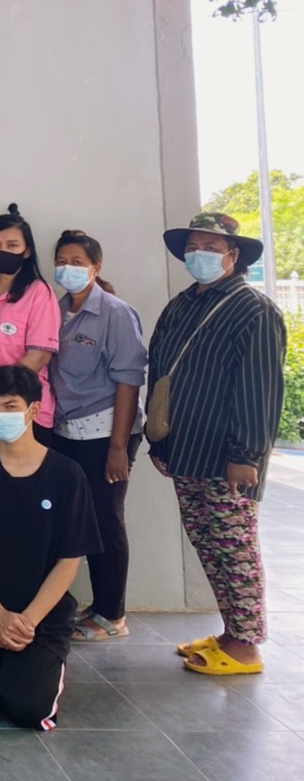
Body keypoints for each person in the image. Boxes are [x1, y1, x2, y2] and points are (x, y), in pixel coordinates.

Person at [148, 212, 286, 676]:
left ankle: (246, 646)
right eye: (193, 247)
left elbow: (260, 388)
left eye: (210, 247)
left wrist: (245, 456)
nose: (199, 255)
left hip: (228, 458)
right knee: (208, 543)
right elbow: (161, 372)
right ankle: (231, 631)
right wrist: (160, 442)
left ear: (233, 254)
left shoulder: (254, 310)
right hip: (185, 450)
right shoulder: (182, 305)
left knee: (235, 547)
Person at [0, 366, 101, 729]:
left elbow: (69, 561)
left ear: (33, 410)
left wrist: (26, 622)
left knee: (28, 709)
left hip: (40, 615)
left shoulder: (67, 475)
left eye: (10, 406)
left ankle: (31, 666)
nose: (0, 414)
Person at [49, 230, 148, 643]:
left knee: (105, 520)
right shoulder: (56, 310)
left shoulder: (115, 313)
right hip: (67, 431)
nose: (67, 268)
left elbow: (129, 380)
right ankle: (98, 603)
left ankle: (113, 614)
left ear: (96, 267)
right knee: (78, 520)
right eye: (61, 261)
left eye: (77, 261)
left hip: (106, 432)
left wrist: (118, 447)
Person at [0, 204, 61, 449]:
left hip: (23, 412)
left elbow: (39, 356)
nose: (2, 251)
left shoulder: (39, 293)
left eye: (12, 245)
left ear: (27, 251)